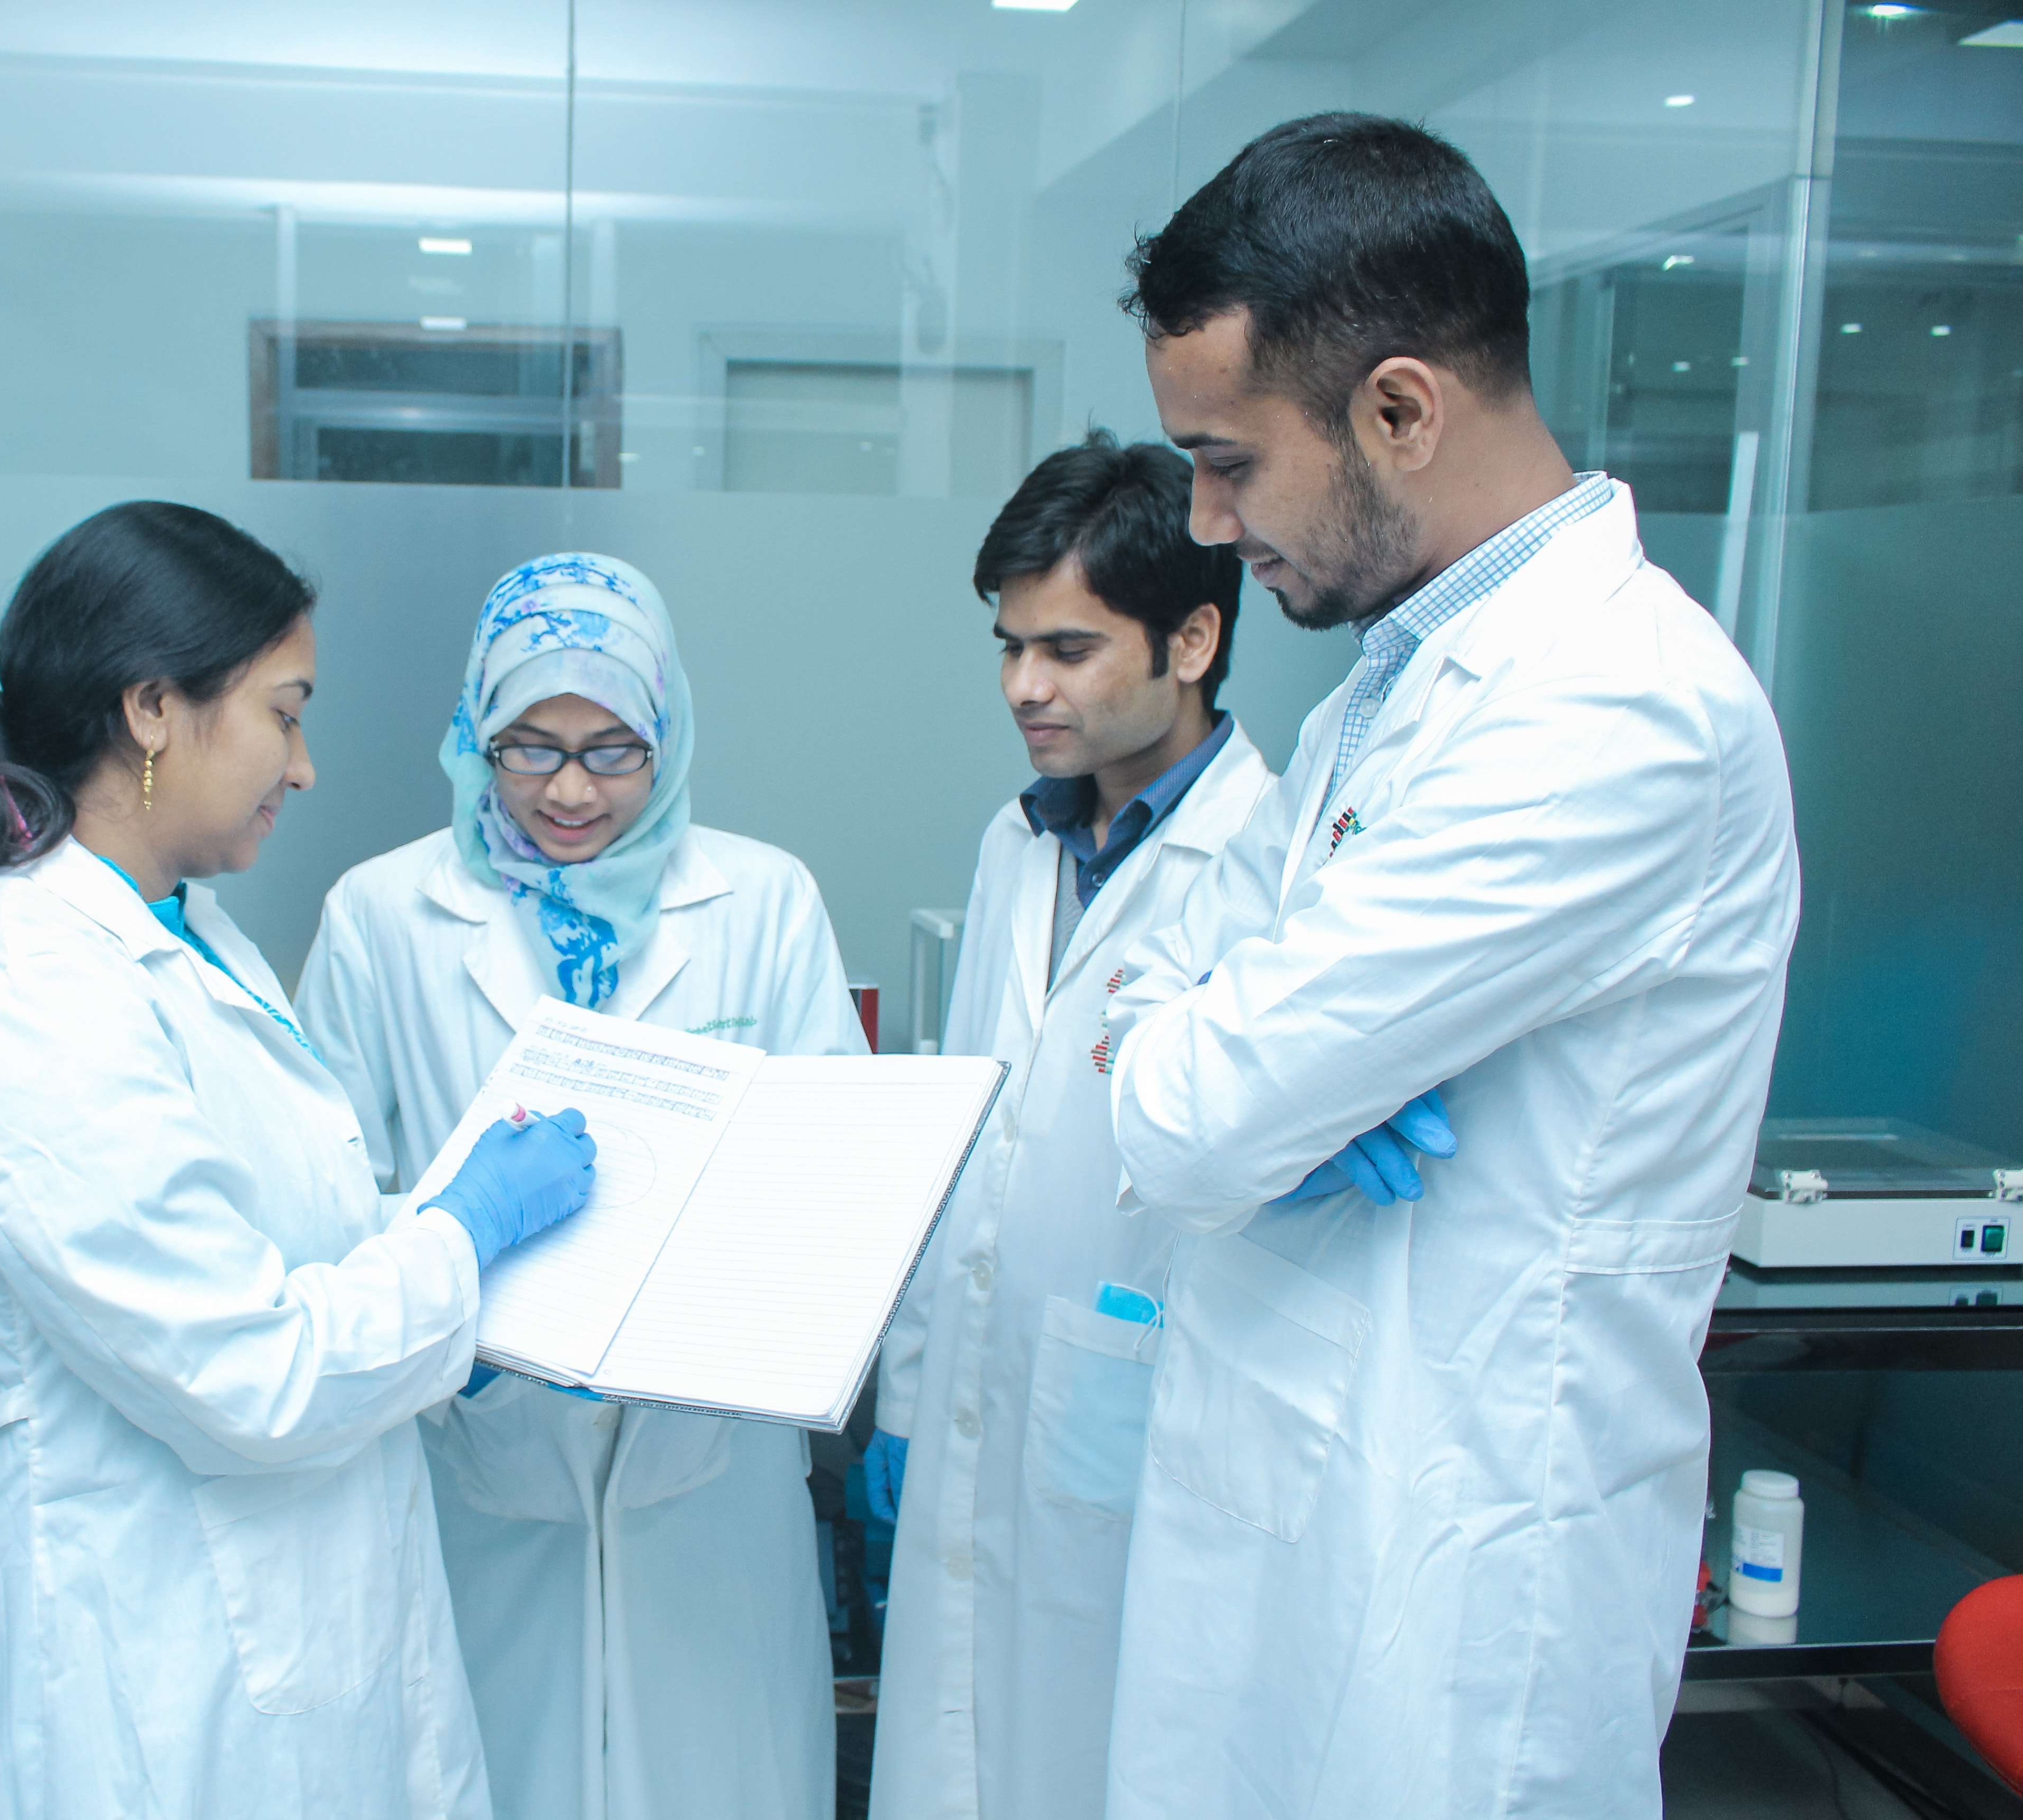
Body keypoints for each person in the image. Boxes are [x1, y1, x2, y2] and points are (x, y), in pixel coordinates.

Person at [1093, 115, 1801, 1817]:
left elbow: (1186, 1113)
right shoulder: (1388, 690)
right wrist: (1212, 1057)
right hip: (1294, 1500)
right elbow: (1146, 989)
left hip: (1460, 1590)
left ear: (1401, 412)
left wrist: (1219, 1072)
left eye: (1227, 460)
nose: (1202, 519)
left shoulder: (1616, 707)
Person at [0, 502, 599, 1819]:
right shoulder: (25, 989)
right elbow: (250, 1369)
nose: (303, 768)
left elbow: (272, 1243)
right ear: (153, 708)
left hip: (276, 1626)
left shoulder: (187, 932)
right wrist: (462, 1237)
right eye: (284, 714)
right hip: (134, 1668)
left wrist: (456, 1265)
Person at [296, 552, 860, 1820]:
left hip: (708, 1464)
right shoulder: (382, 916)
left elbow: (833, 1183)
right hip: (482, 1453)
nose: (568, 790)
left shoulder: (764, 902)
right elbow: (328, 1202)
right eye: (528, 748)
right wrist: (451, 1285)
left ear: (669, 734)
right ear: (474, 736)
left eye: (613, 751)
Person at [860, 433, 1276, 1820]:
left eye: (1069, 649)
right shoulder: (1016, 844)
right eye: (1010, 647)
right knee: (953, 1747)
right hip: (978, 1394)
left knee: (1104, 1759)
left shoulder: (1268, 866)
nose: (1023, 687)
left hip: (1145, 1411)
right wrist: (908, 1393)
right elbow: (974, 1138)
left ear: (1193, 641)